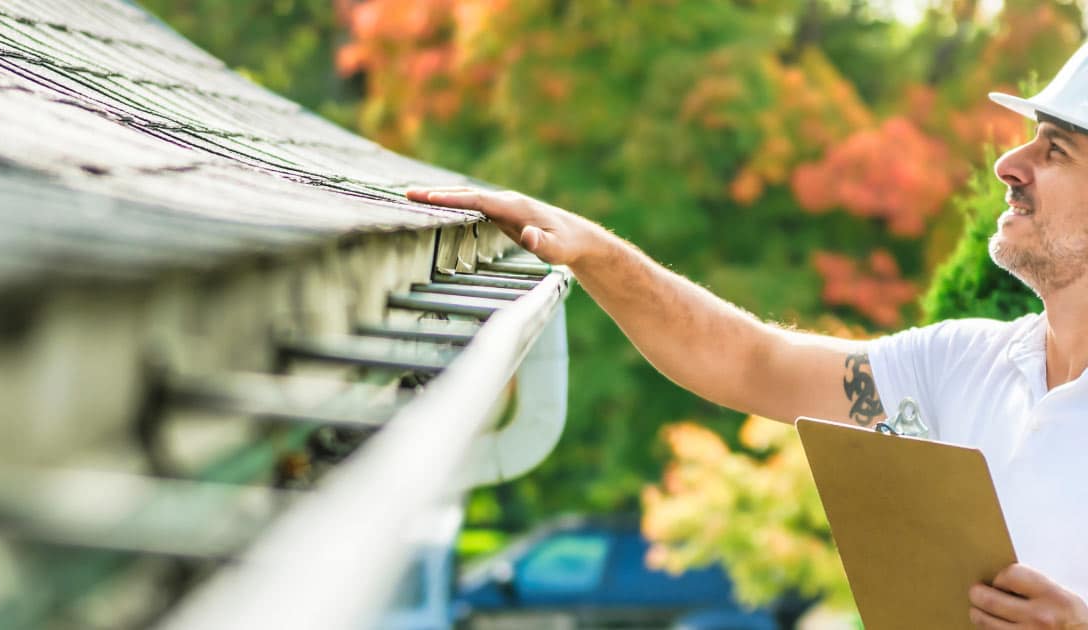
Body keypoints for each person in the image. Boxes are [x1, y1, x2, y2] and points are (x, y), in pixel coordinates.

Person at [408, 42, 1088, 630]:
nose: (1010, 163)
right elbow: (753, 362)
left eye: (1054, 149)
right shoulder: (964, 365)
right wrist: (593, 252)